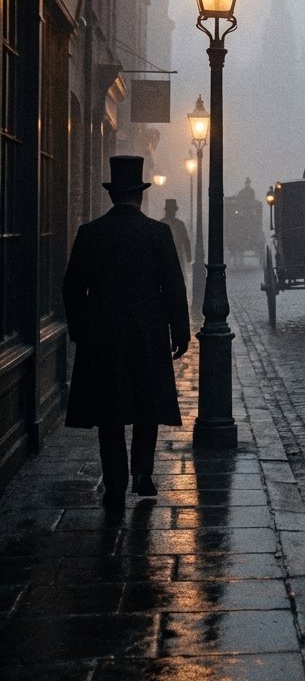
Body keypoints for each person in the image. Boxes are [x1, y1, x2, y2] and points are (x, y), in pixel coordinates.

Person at [63, 156, 190, 512]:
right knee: (146, 407)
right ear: (140, 196)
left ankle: (115, 484)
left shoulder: (90, 234)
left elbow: (72, 287)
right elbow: (174, 287)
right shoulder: (158, 233)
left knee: (110, 414)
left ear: (112, 195)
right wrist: (181, 331)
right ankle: (143, 475)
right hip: (148, 335)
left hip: (102, 338)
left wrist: (80, 330)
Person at [160, 198, 192, 280]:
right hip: (172, 257)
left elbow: (186, 241)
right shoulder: (179, 224)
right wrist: (189, 258)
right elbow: (186, 241)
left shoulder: (161, 224)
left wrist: (189, 257)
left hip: (169, 257)